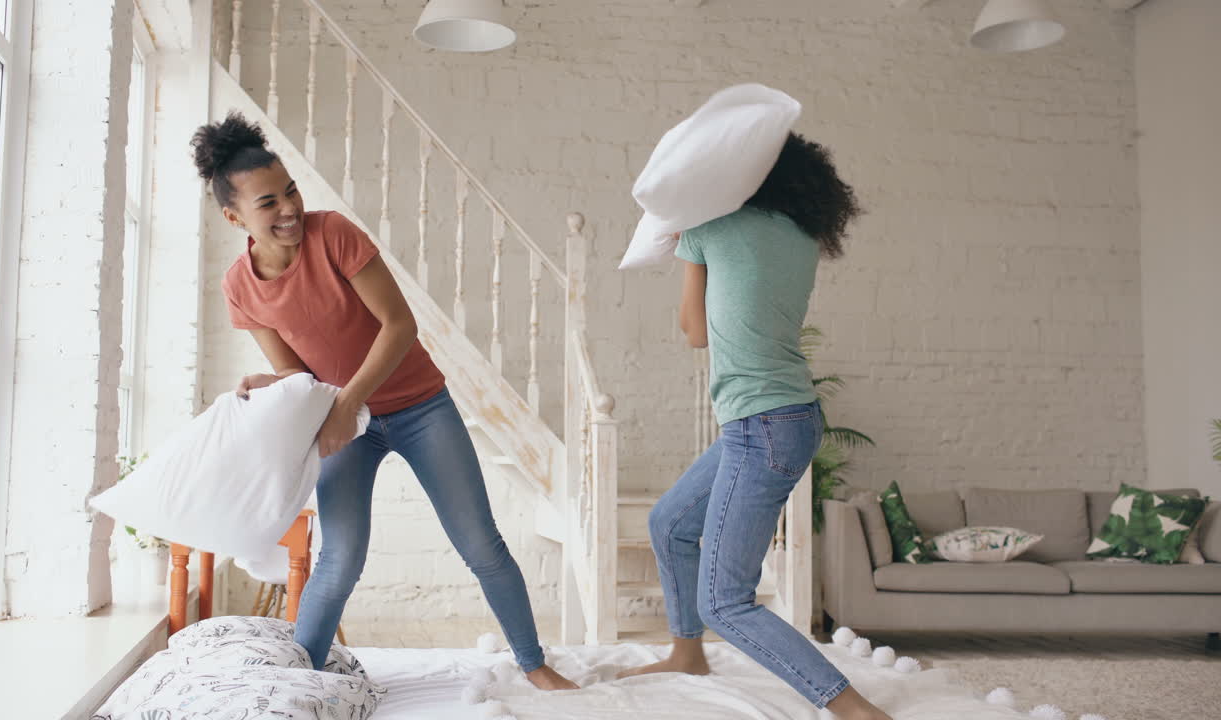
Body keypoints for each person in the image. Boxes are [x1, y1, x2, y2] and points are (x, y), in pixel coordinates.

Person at [190, 112, 576, 691]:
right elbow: (296, 374)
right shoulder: (240, 287)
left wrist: (348, 405)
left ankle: (533, 662)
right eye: (268, 203)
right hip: (348, 421)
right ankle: (303, 681)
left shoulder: (334, 233)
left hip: (421, 407)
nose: (289, 208)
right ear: (234, 216)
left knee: (480, 543)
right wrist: (278, 385)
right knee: (339, 559)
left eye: (291, 191)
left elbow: (399, 325)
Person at [618, 134, 890, 719]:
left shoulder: (708, 226)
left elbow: (695, 331)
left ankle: (853, 710)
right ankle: (687, 653)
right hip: (791, 416)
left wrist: (685, 243)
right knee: (670, 522)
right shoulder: (800, 235)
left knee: (726, 601)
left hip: (760, 425)